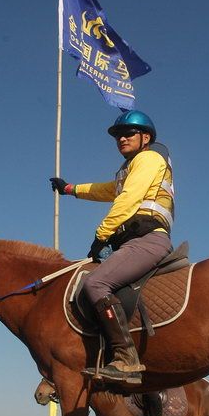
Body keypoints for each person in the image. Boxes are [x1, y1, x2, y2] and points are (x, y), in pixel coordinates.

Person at [50, 110, 174, 385]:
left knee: (95, 284)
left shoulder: (149, 158)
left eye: (129, 133)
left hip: (147, 239)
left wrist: (101, 235)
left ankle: (127, 358)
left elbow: (129, 198)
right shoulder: (128, 169)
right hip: (131, 241)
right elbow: (108, 190)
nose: (121, 138)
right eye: (118, 135)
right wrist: (71, 188)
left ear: (146, 137)